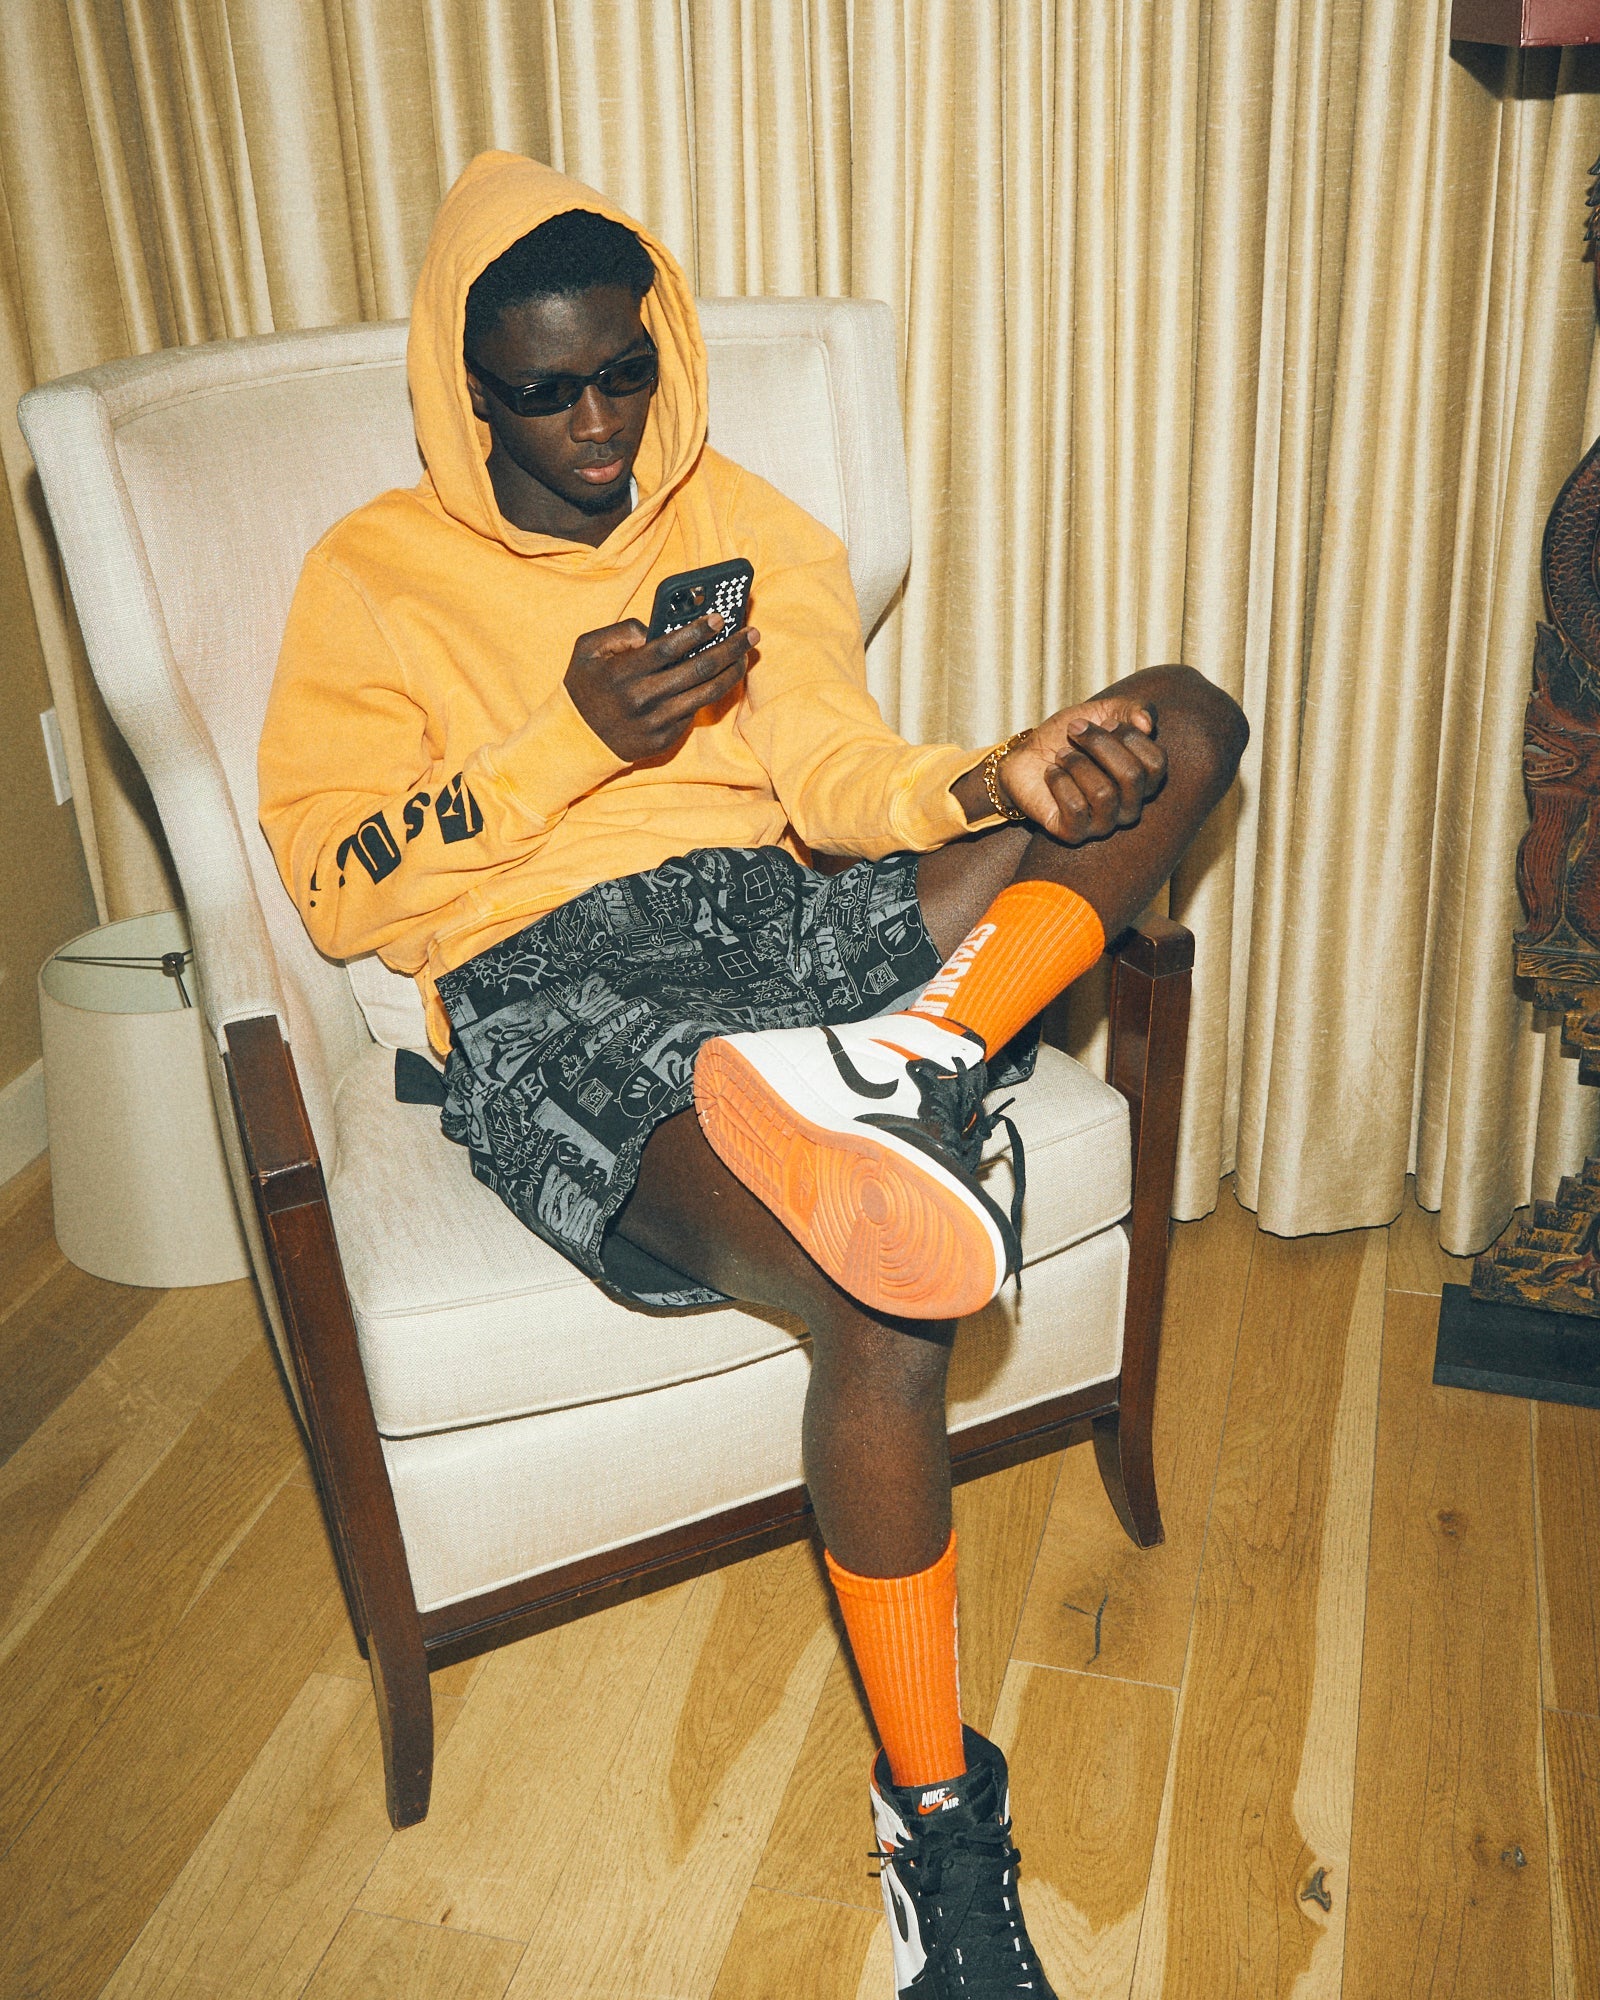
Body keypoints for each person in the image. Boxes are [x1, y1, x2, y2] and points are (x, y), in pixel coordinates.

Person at [259, 151, 1246, 1999]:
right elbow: (336, 887)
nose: (599, 425)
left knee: (1182, 717)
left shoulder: (744, 519)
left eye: (625, 371)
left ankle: (919, 1053)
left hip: (778, 919)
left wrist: (995, 778)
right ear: (468, 393)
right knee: (887, 1290)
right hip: (552, 977)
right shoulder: (370, 577)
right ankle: (936, 1822)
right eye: (546, 391)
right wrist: (563, 742)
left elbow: (835, 776)